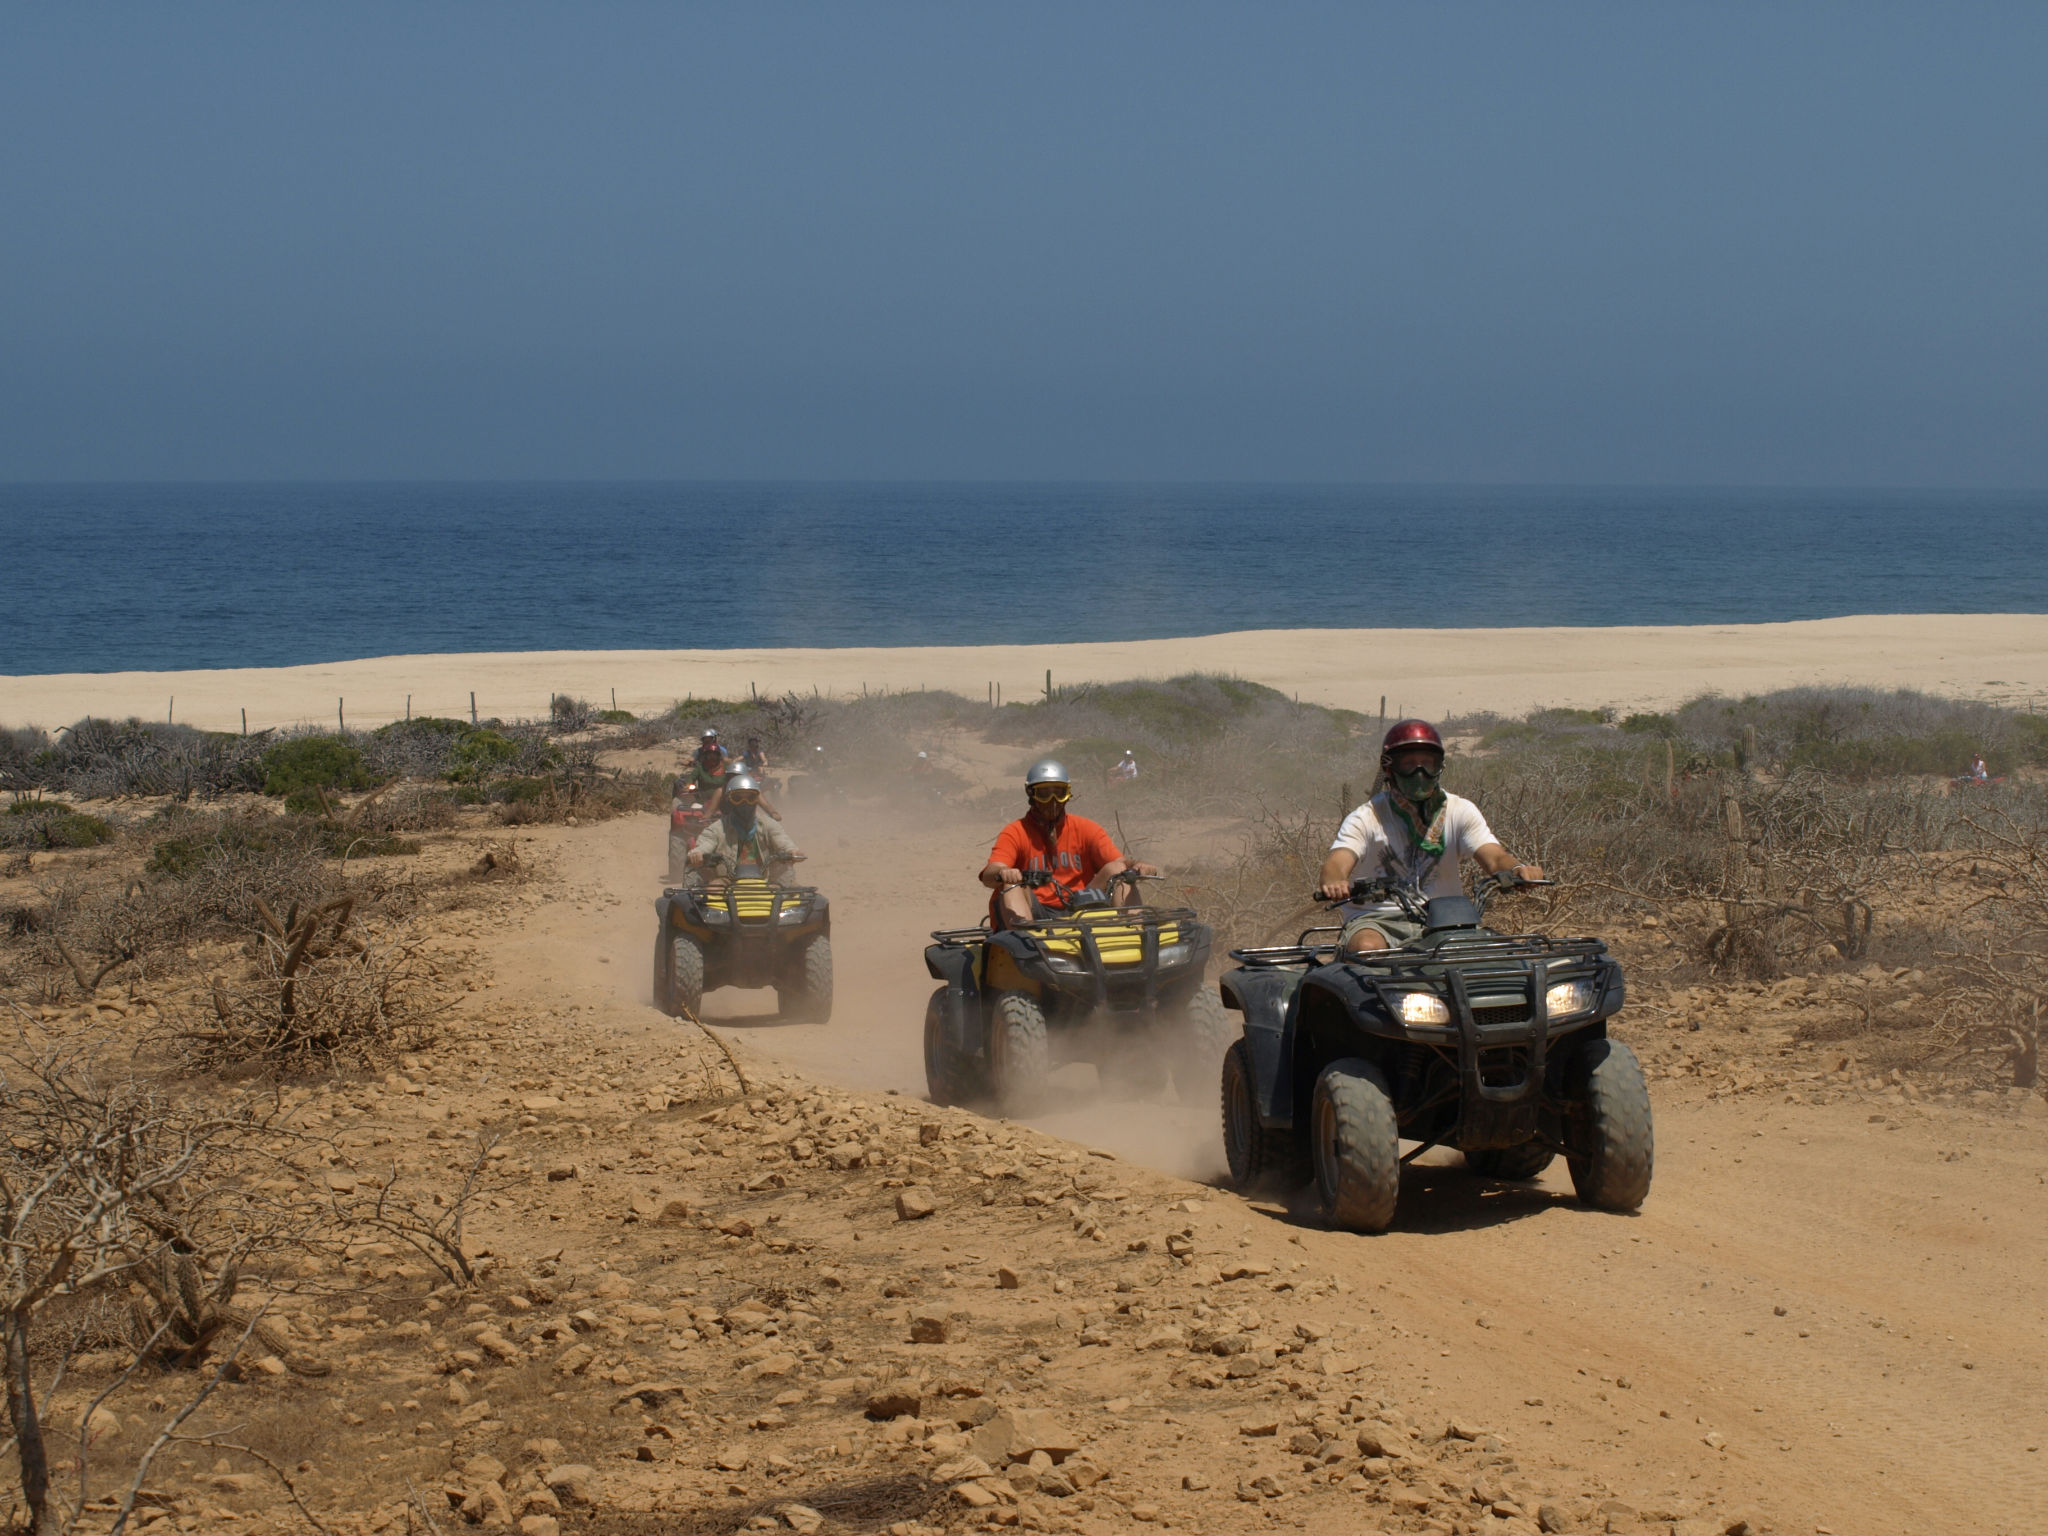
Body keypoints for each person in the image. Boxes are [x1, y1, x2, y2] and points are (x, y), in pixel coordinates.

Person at [1317, 720, 1544, 953]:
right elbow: (1337, 862)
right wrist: (1335, 881)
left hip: (1446, 920)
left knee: (1504, 955)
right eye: (1409, 765)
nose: (1420, 773)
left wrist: (1517, 869)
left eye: (1427, 764)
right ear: (1389, 769)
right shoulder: (1366, 817)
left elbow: (1494, 857)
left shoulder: (1459, 810)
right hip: (1379, 920)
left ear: (1439, 767)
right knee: (1367, 947)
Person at [979, 758, 1159, 929]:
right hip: (1036, 912)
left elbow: (1120, 863)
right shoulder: (1016, 832)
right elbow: (990, 873)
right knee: (1011, 886)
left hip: (1080, 907)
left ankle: (1136, 934)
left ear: (1068, 794)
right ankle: (1026, 946)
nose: (1053, 802)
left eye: (1059, 793)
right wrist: (1004, 873)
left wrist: (1137, 867)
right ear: (1031, 794)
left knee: (1117, 871)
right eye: (1044, 794)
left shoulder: (1086, 828)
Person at [689, 773, 803, 880]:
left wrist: (793, 851)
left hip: (767, 881)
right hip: (727, 882)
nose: (745, 803)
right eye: (738, 798)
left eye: (750, 798)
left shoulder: (768, 825)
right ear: (730, 800)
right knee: (714, 888)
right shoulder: (717, 828)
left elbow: (782, 840)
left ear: (757, 800)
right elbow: (706, 843)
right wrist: (698, 853)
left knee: (793, 892)